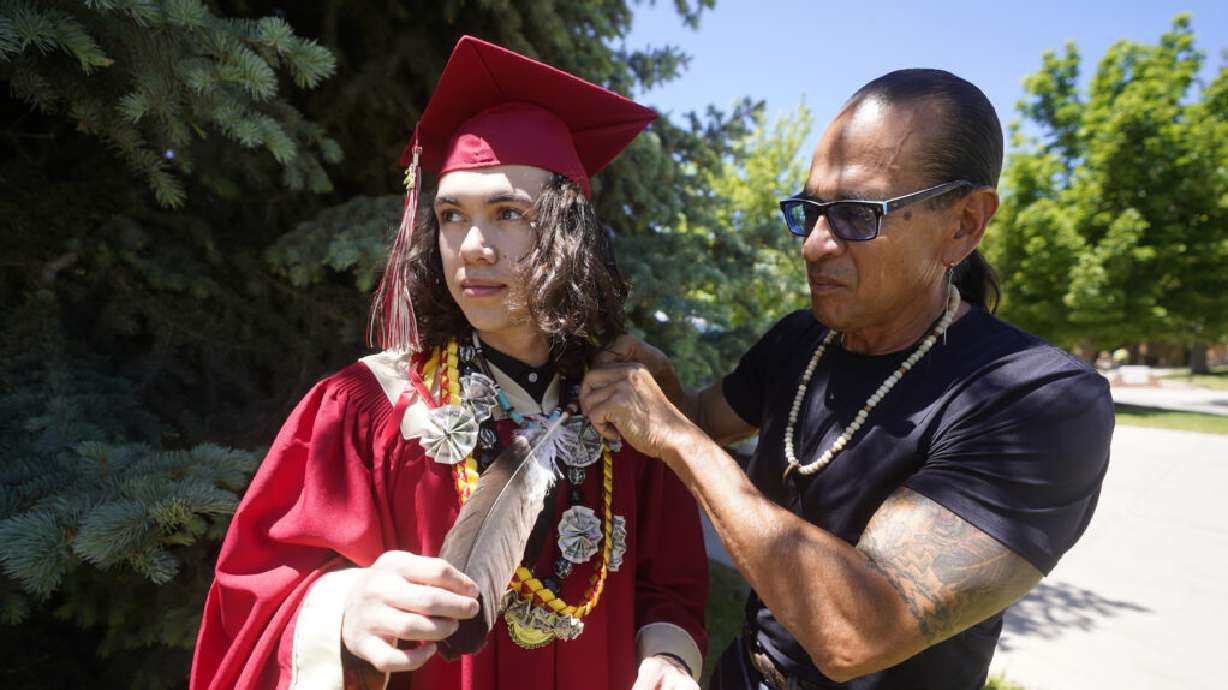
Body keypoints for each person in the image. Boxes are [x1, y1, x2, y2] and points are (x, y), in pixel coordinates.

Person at [190, 36, 707, 690]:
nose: (473, 247)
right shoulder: (368, 408)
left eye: (508, 214)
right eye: (451, 216)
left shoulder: (627, 415)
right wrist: (343, 611)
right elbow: (250, 595)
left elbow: (674, 585)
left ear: (566, 231)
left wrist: (666, 657)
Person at [580, 69, 1113, 689]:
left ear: (964, 224)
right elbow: (705, 420)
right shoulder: (799, 340)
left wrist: (676, 436)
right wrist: (661, 384)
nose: (814, 246)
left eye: (858, 214)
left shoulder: (1038, 400)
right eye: (810, 211)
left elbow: (854, 634)